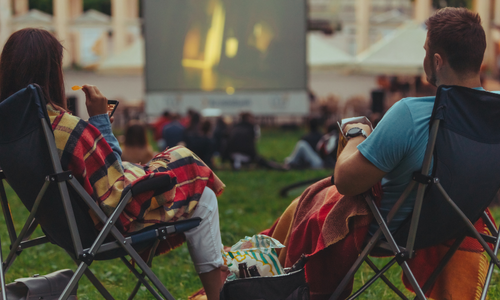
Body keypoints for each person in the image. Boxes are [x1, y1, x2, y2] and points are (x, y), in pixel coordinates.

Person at [264, 8, 492, 300]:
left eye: (425, 51)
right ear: (479, 58)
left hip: (395, 229)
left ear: (436, 61)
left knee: (311, 201)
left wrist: (358, 135)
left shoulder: (410, 114)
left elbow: (345, 182)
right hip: (457, 223)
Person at [0, 28, 225, 300]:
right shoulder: (68, 131)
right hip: (108, 230)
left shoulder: (11, 135)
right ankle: (220, 294)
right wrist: (100, 121)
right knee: (201, 189)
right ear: (52, 73)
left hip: (64, 230)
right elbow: (117, 195)